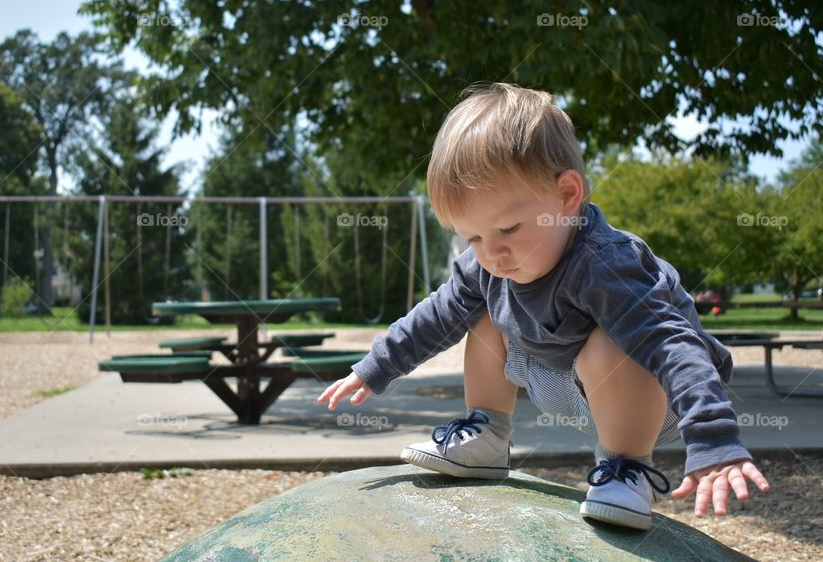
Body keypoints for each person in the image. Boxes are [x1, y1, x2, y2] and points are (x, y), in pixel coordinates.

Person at [317, 82, 770, 530]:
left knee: (611, 338)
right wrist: (375, 366)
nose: (492, 252)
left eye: (509, 229)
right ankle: (489, 434)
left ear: (567, 195)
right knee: (478, 309)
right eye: (473, 236)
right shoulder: (488, 264)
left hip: (654, 398)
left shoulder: (605, 266)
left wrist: (713, 438)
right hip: (564, 383)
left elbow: (672, 345)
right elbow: (435, 315)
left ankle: (627, 468)